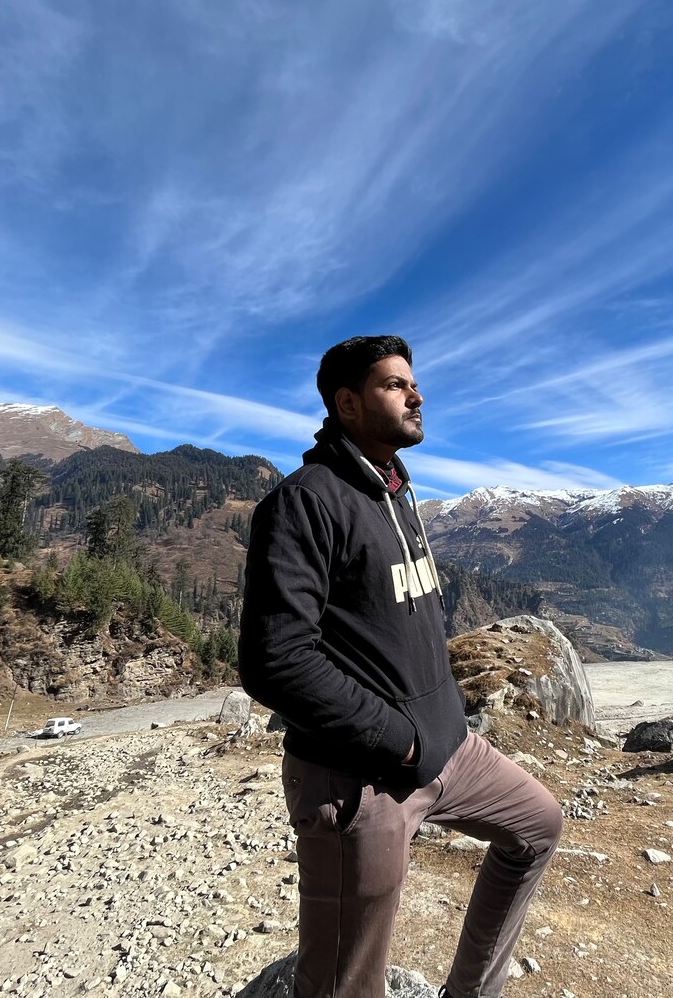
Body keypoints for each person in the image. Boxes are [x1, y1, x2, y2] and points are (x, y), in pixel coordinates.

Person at [238, 335, 563, 998]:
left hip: (452, 752)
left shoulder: (397, 491)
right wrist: (400, 739)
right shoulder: (306, 502)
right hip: (359, 780)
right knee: (345, 982)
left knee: (537, 826)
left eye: (413, 383)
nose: (417, 396)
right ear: (348, 404)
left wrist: (439, 725)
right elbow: (275, 659)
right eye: (395, 385)